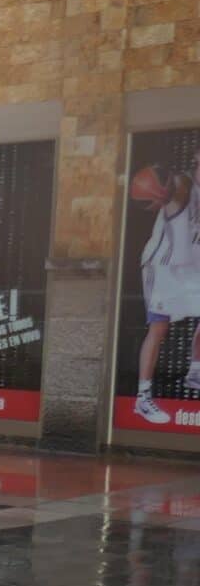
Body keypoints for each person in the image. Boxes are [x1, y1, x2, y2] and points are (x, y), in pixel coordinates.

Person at [131, 160, 200, 424]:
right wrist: (160, 190)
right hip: (162, 266)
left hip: (189, 268)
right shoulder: (182, 185)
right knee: (159, 330)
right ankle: (143, 398)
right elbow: (172, 188)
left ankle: (195, 371)